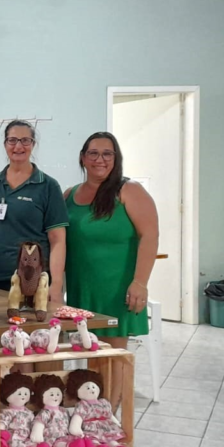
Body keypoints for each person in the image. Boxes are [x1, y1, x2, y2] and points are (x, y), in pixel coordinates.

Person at [64, 132, 159, 347]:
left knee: (113, 356)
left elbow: (150, 236)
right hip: (81, 288)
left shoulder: (129, 190)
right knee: (88, 352)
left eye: (107, 154)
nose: (100, 159)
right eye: (93, 153)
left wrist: (140, 283)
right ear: (83, 158)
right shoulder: (69, 195)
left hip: (116, 289)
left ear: (116, 159)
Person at [0, 121, 69, 302]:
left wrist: (56, 285)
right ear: (5, 144)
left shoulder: (48, 186)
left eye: (25, 140)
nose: (18, 146)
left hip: (33, 281)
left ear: (33, 144)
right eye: (12, 140)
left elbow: (58, 239)